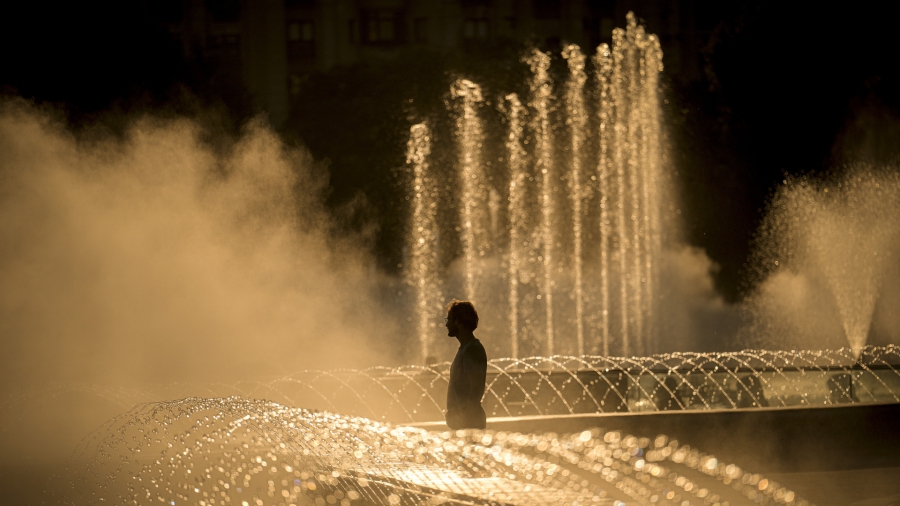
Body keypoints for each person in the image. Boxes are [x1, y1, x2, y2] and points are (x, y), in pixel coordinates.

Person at [444, 299, 487, 430]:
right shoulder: (466, 348)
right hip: (463, 421)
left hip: (469, 422)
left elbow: (477, 387)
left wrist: (466, 419)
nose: (446, 324)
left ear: (459, 321)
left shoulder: (472, 349)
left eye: (449, 319)